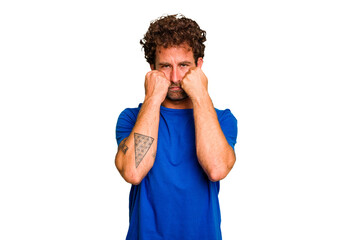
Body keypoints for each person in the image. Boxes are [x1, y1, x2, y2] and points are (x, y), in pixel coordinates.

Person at [115, 14, 238, 240]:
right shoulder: (131, 118)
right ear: (151, 68)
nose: (174, 77)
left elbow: (217, 169)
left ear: (198, 65)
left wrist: (200, 93)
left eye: (183, 66)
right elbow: (133, 172)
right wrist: (153, 98)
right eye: (164, 66)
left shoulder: (222, 120)